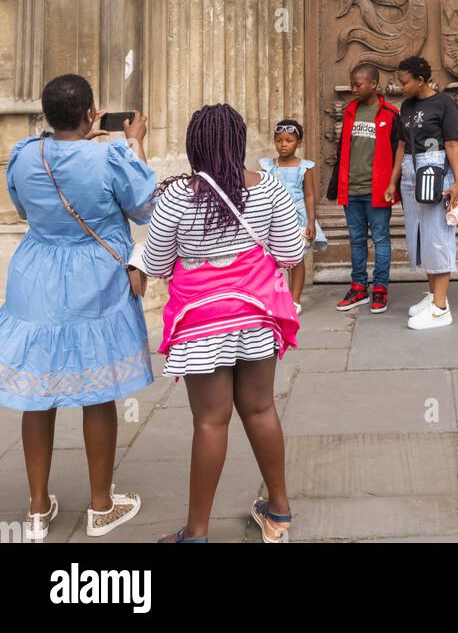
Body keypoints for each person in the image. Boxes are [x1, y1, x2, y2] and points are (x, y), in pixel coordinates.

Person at [135, 103, 305, 544]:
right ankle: (279, 511)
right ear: (239, 141)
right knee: (261, 408)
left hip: (201, 320)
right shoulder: (268, 189)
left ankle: (196, 533)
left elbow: (154, 262)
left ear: (196, 145)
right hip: (256, 315)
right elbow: (290, 254)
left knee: (211, 421)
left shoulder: (176, 196)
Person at [0, 74, 155, 540]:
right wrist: (134, 142)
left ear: (47, 115)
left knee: (37, 393)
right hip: (95, 277)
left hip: (36, 274)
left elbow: (25, 211)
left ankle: (36, 508)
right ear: (91, 114)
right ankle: (101, 505)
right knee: (98, 388)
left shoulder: (25, 154)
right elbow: (146, 207)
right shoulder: (109, 155)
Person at [386, 56, 458, 330]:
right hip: (410, 172)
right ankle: (433, 296)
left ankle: (441, 309)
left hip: (434, 171)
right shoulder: (406, 106)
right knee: (419, 235)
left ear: (420, 80)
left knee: (437, 235)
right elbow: (400, 146)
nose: (399, 86)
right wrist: (392, 182)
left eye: (404, 82)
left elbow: (452, 144)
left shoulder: (444, 104)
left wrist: (457, 181)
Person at [327, 63, 402, 314]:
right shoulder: (350, 111)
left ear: (373, 84)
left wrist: (393, 184)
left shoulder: (390, 114)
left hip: (378, 190)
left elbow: (397, 153)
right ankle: (359, 287)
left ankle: (380, 288)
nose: (353, 89)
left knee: (380, 239)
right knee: (356, 240)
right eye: (352, 84)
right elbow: (342, 152)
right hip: (352, 190)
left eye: (358, 84)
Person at [259, 118, 327, 313]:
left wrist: (311, 222)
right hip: (274, 218)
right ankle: (276, 297)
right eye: (279, 140)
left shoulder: (304, 167)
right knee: (273, 260)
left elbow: (309, 195)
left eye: (289, 140)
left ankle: (295, 300)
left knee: (296, 259)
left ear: (299, 143)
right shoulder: (268, 166)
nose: (283, 145)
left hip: (297, 218)